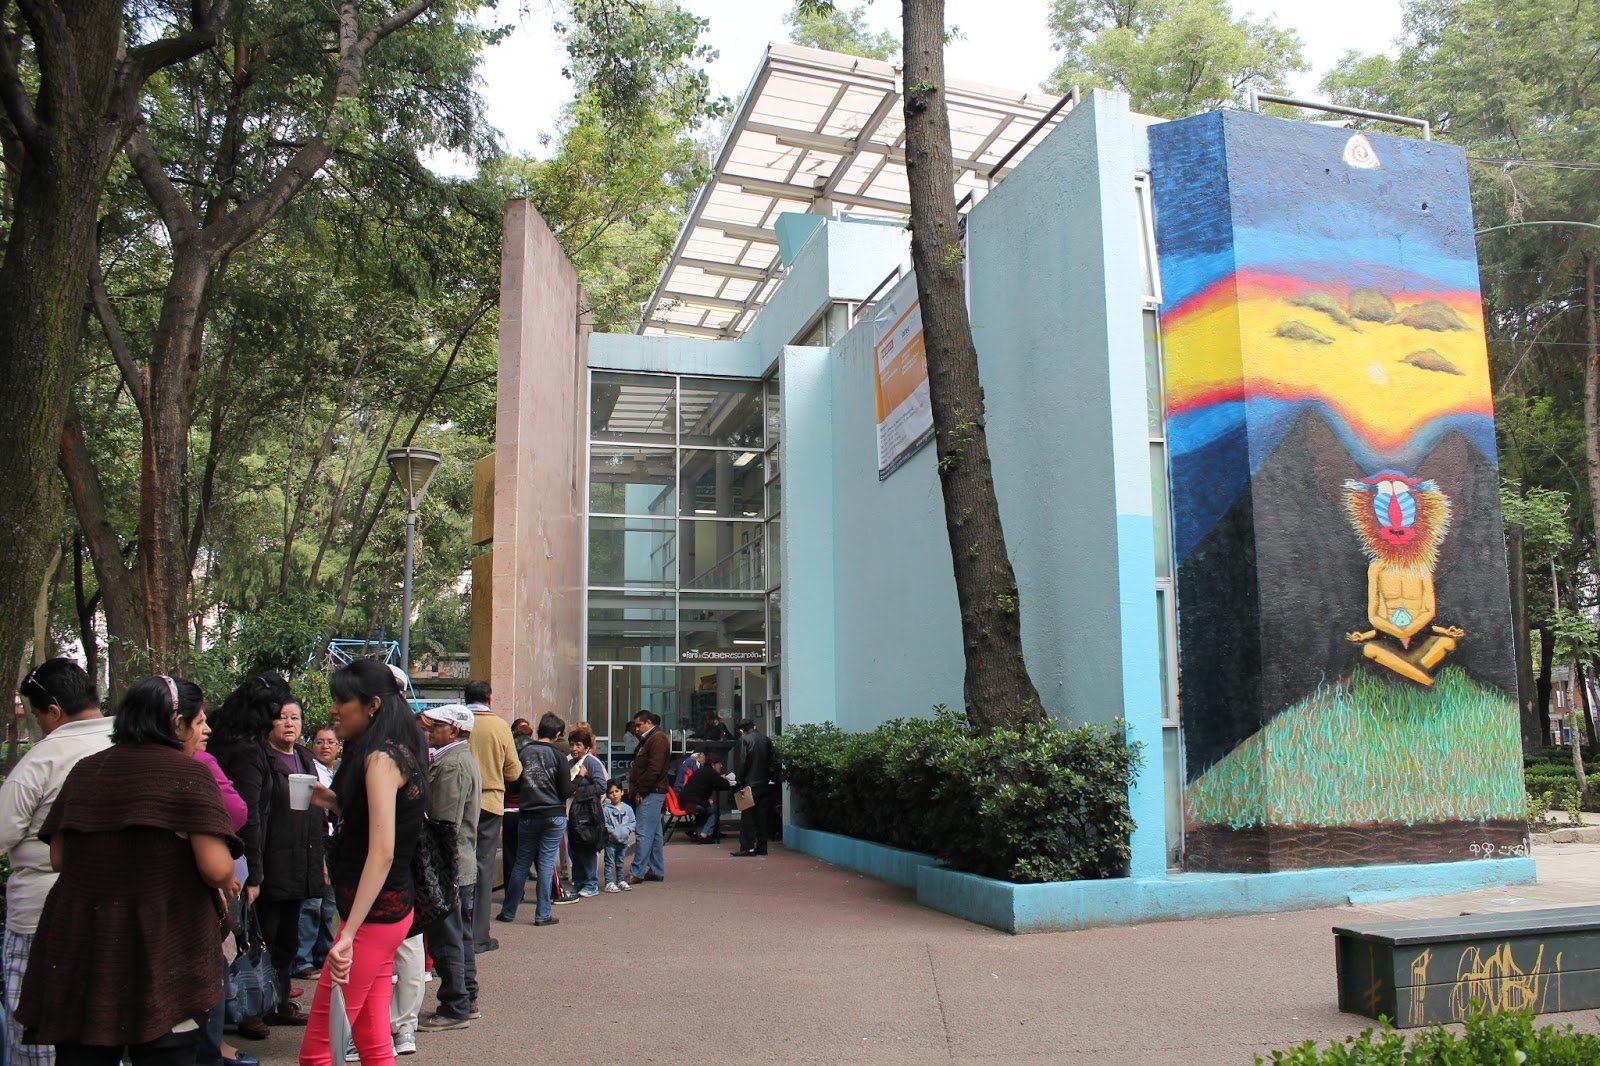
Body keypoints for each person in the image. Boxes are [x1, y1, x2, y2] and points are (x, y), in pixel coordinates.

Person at [17, 675, 241, 1066]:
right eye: (199, 721)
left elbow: (59, 858)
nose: (205, 729)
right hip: (162, 939)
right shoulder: (188, 774)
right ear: (176, 723)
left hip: (85, 939)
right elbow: (216, 866)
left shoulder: (87, 770)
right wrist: (227, 878)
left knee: (86, 1048)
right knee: (166, 1046)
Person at [298, 660, 427, 1066]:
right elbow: (376, 823)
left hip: (373, 917)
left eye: (342, 701)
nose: (334, 710)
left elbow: (383, 850)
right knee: (373, 1040)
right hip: (386, 911)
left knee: (318, 1051)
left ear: (372, 705)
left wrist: (348, 933)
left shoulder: (381, 759)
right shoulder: (392, 751)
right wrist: (330, 800)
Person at [0, 659, 113, 1066]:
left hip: (42, 912)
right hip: (117, 911)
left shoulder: (43, 759)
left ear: (53, 711)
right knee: (102, 1025)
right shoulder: (129, 744)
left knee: (38, 1030)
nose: (39, 724)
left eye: (36, 715)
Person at [210, 674, 301, 1036]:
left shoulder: (222, 736)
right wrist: (256, 874)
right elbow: (250, 816)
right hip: (237, 858)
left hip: (221, 851)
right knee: (244, 937)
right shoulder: (248, 751)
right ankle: (248, 1009)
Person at [256, 698, 325, 1021]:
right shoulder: (262, 758)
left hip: (302, 859)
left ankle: (280, 1002)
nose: (289, 724)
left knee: (288, 938)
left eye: (295, 718)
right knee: (266, 936)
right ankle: (257, 1006)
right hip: (273, 860)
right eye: (282, 717)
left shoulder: (305, 757)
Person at [415, 706, 481, 1032]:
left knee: (448, 938)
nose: (430, 732)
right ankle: (466, 998)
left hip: (449, 865)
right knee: (460, 935)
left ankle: (455, 1006)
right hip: (458, 863)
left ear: (453, 730)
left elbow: (444, 823)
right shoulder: (455, 759)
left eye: (436, 726)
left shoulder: (452, 764)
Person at [495, 713, 572, 926]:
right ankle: (543, 913)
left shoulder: (524, 752)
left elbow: (514, 783)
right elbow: (566, 791)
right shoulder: (559, 756)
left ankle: (508, 911)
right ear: (558, 733)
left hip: (527, 813)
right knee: (546, 863)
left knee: (521, 863)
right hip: (553, 814)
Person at [463, 681, 518, 956]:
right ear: (489, 698)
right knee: (483, 867)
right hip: (490, 801)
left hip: (460, 801)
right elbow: (513, 771)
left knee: (457, 864)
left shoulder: (458, 722)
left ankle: (456, 932)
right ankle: (479, 935)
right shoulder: (499, 726)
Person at [295, 728, 340, 978]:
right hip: (315, 840)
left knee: (329, 904)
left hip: (335, 841)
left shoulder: (339, 772)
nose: (325, 746)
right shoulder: (309, 771)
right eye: (320, 742)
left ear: (338, 746)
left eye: (330, 742)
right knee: (312, 903)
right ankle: (303, 959)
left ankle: (324, 955)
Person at [561, 727, 607, 900]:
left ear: (587, 747)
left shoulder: (592, 763)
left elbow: (601, 786)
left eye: (578, 745)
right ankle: (579, 882)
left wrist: (578, 791)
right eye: (572, 745)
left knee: (587, 848)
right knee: (574, 850)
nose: (574, 749)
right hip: (571, 813)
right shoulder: (569, 762)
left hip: (587, 814)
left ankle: (591, 883)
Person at [624, 711, 669, 885]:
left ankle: (637, 872)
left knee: (643, 833)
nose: (636, 729)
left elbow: (654, 769)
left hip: (651, 791)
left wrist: (641, 791)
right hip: (652, 791)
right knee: (654, 833)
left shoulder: (657, 739)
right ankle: (656, 870)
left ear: (648, 722)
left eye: (638, 725)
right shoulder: (653, 738)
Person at [730, 719, 778, 858]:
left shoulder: (744, 740)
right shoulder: (766, 740)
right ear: (754, 726)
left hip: (749, 784)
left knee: (748, 816)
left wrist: (739, 780)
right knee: (762, 816)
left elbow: (742, 763)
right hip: (764, 783)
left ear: (741, 730)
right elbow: (773, 762)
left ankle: (748, 847)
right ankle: (762, 846)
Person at [680, 752, 732, 843]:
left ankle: (698, 833)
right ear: (713, 765)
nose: (721, 766)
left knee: (706, 810)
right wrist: (725, 779)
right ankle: (705, 835)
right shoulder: (711, 772)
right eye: (719, 764)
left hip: (685, 801)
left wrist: (719, 778)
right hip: (694, 803)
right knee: (714, 811)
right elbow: (724, 785)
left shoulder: (702, 771)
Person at [601, 782, 635, 893]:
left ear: (622, 792)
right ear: (607, 795)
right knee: (609, 862)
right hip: (610, 842)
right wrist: (611, 831)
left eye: (616, 791)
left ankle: (620, 880)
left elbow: (632, 822)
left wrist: (627, 830)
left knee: (620, 862)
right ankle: (609, 882)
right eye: (611, 792)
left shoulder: (628, 809)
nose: (614, 794)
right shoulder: (606, 809)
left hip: (623, 841)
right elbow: (604, 823)